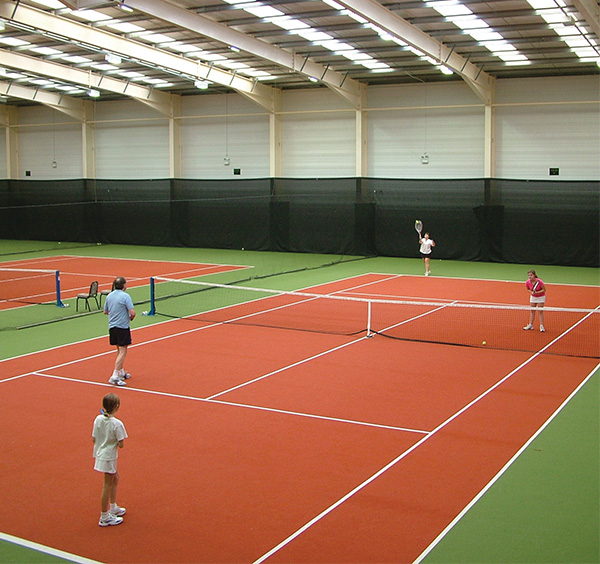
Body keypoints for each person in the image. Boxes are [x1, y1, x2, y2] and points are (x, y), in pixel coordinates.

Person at [92, 393, 128, 527]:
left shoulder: (98, 419)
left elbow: (94, 438)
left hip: (101, 453)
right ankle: (104, 516)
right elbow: (121, 444)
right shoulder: (117, 424)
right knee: (107, 484)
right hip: (109, 456)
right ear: (117, 407)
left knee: (115, 477)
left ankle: (113, 507)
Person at [104, 276, 135, 386]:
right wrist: (130, 317)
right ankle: (115, 376)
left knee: (119, 350)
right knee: (123, 351)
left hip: (112, 327)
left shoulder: (109, 296)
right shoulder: (126, 296)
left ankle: (121, 371)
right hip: (122, 327)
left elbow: (106, 311)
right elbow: (132, 313)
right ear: (123, 285)